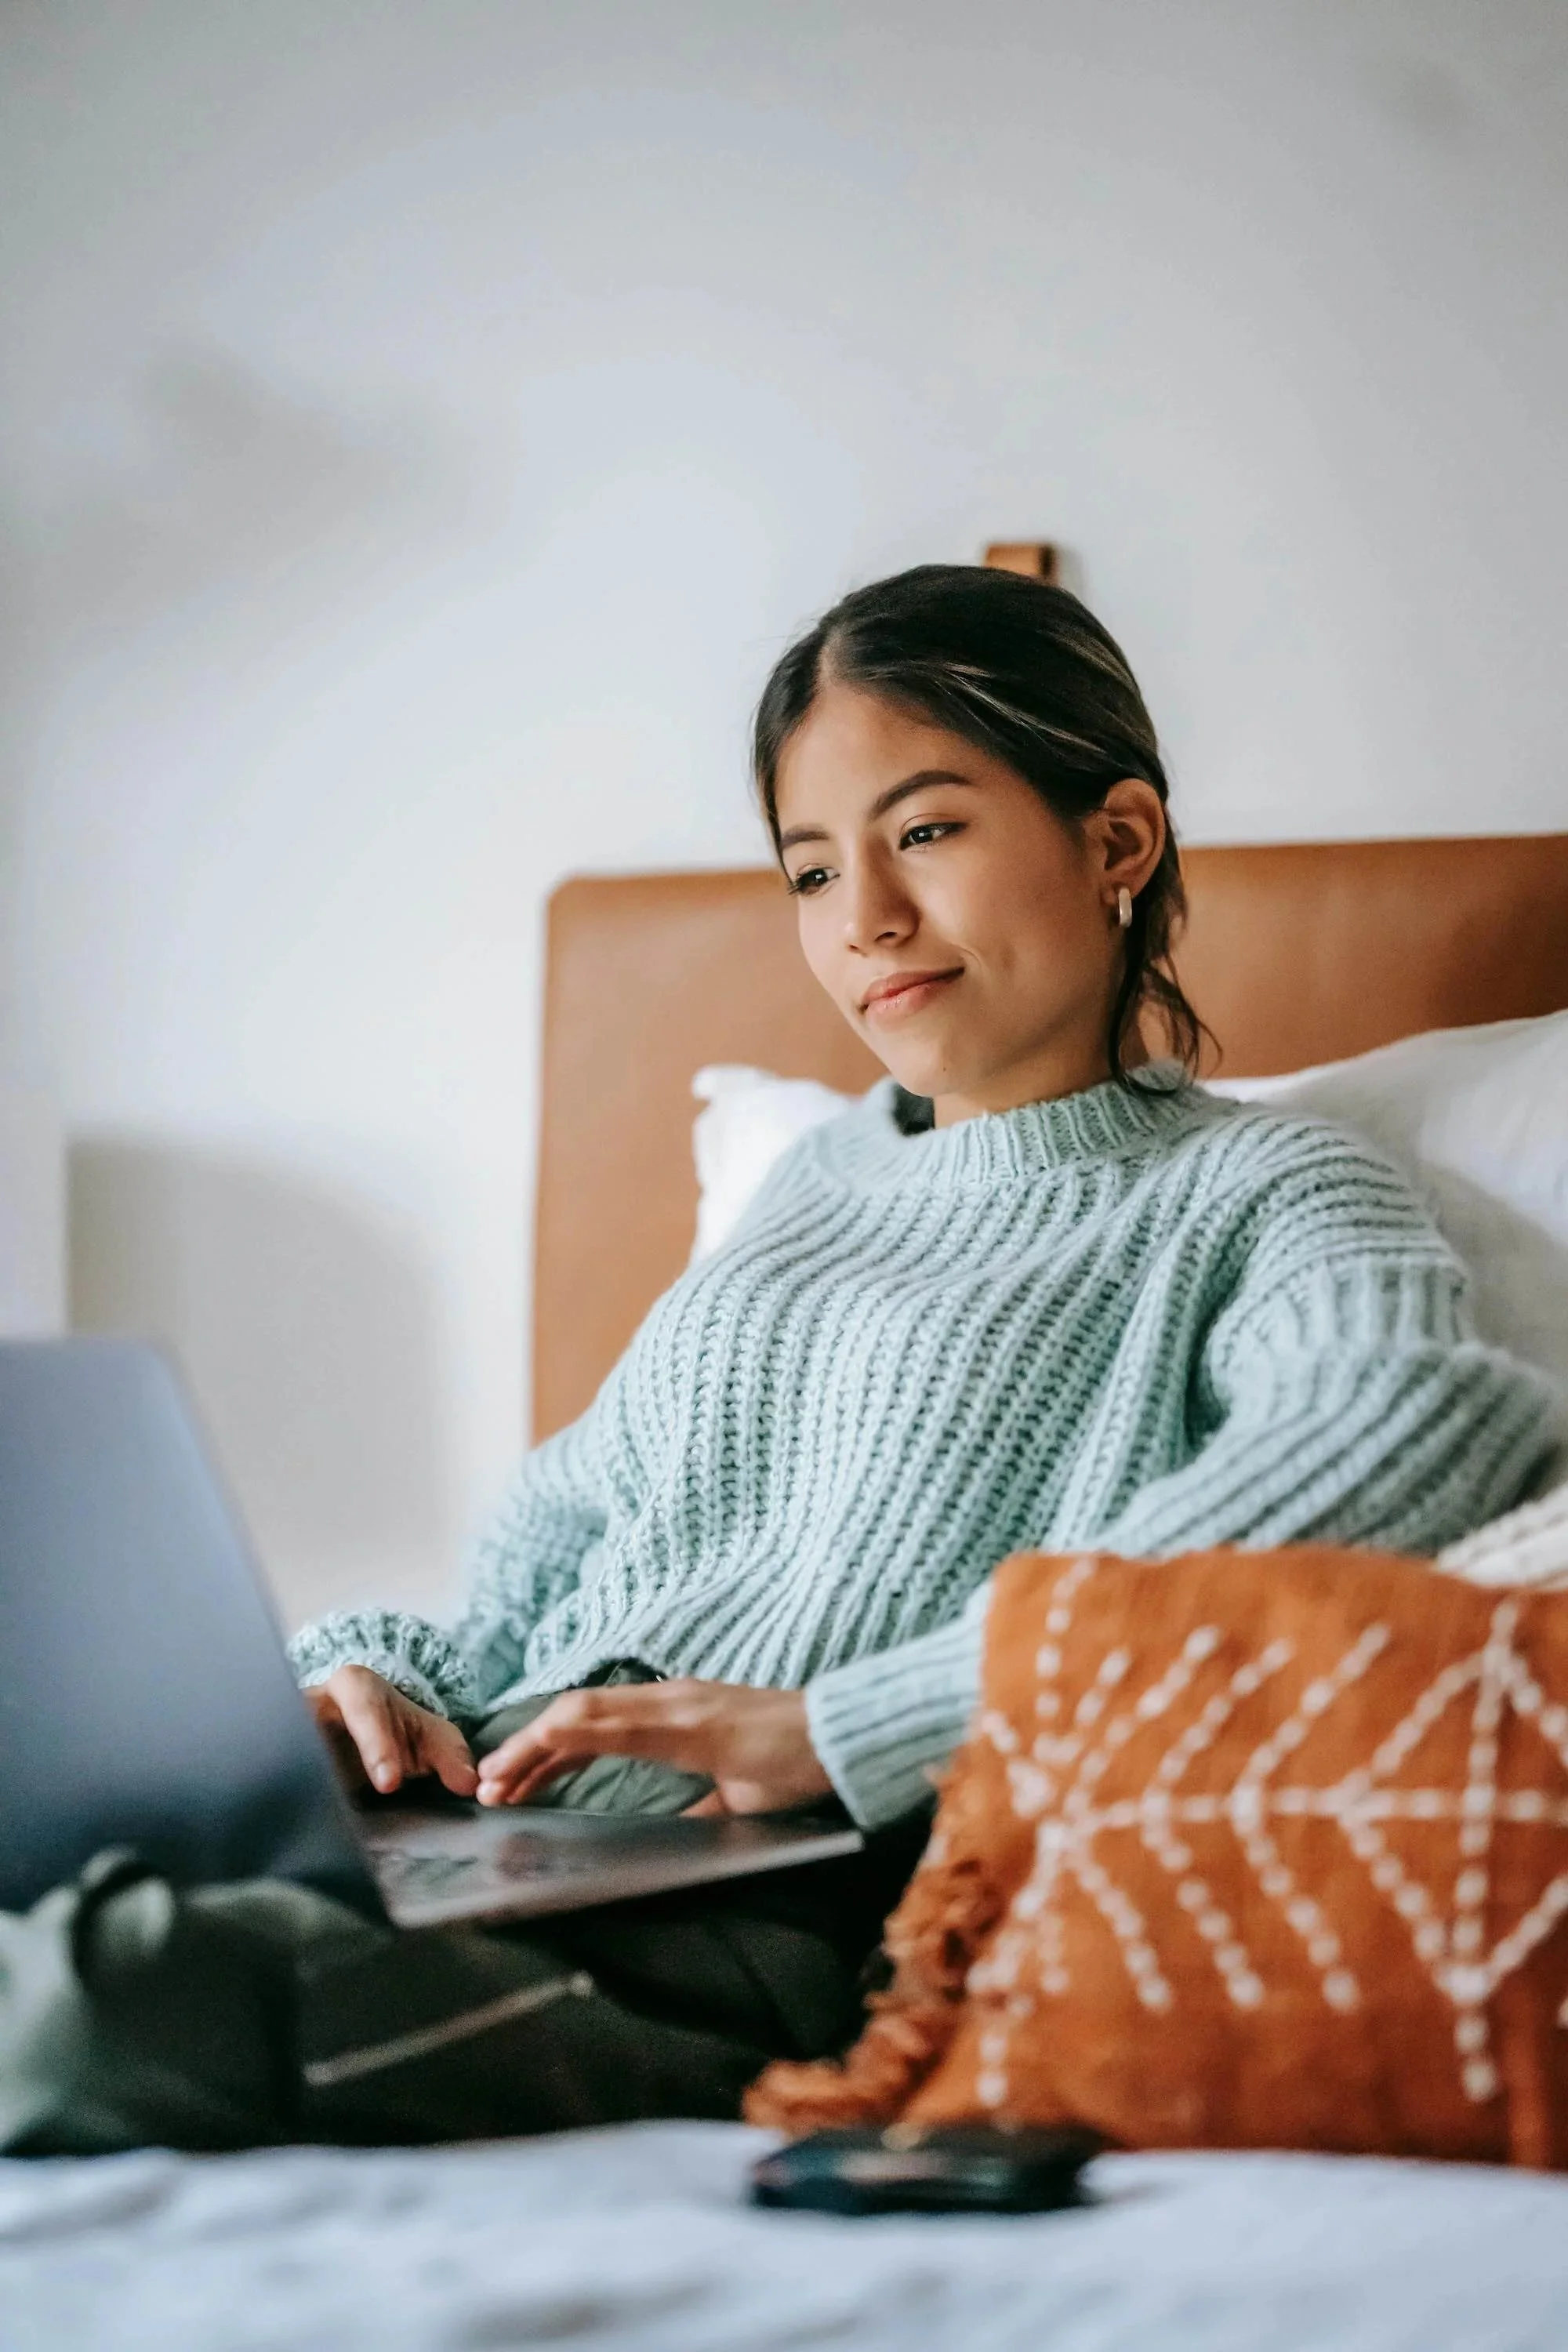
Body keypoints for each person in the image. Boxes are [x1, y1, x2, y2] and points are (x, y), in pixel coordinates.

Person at [9, 566, 1555, 2154]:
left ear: (1117, 843)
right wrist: (362, 1689)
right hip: (508, 1841)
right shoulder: (807, 1189)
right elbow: (539, 1569)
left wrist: (856, 1724)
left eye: (928, 830)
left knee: (96, 1994)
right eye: (812, 869)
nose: (865, 916)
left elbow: (1415, 1417)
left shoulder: (1252, 1187)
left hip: (791, 1923)